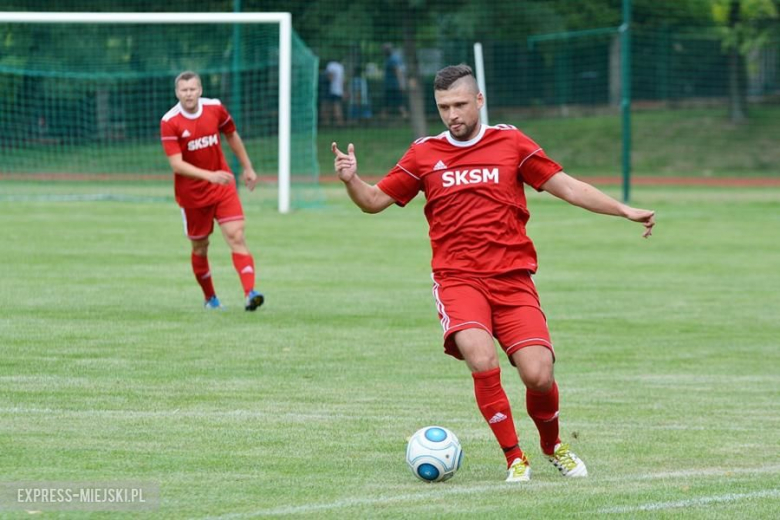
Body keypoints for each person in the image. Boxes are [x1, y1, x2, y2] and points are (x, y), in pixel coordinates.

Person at [332, 64, 655, 482]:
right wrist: (351, 179)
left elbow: (569, 187)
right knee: (481, 358)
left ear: (479, 100)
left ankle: (552, 445)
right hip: (458, 279)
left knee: (538, 374)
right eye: (444, 107)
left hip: (512, 278)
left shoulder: (511, 142)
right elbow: (373, 202)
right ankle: (514, 458)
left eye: (460, 104)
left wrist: (623, 209)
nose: (453, 114)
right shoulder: (424, 153)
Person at [160, 70, 265, 311]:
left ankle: (251, 293)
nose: (189, 94)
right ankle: (211, 298)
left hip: (222, 187)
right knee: (200, 246)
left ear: (200, 90)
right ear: (177, 93)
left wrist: (248, 168)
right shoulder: (170, 121)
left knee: (236, 236)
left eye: (193, 89)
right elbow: (176, 164)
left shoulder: (215, 108)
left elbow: (232, 136)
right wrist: (210, 176)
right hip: (192, 196)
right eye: (184, 90)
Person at [381, 43, 408, 119]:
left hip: (393, 85)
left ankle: (404, 116)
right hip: (390, 85)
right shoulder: (391, 58)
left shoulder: (392, 59)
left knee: (396, 102)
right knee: (389, 103)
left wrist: (401, 84)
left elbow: (398, 72)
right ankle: (384, 117)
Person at [324, 59, 345, 127]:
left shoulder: (330, 65)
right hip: (339, 90)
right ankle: (339, 123)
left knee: (331, 107)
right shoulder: (340, 66)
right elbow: (342, 80)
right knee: (336, 106)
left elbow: (330, 77)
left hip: (332, 90)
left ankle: (330, 123)